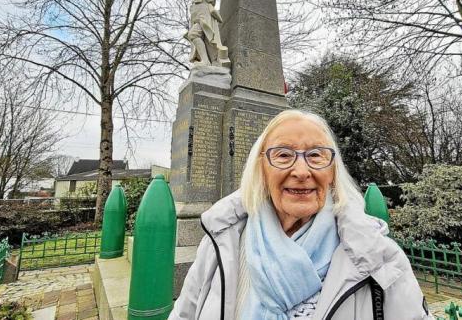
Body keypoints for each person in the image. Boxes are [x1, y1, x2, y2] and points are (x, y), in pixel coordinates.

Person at [170, 109, 433, 319]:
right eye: (283, 155)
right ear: (261, 169)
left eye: (316, 155)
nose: (301, 171)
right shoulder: (222, 242)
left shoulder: (378, 257)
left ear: (332, 172)